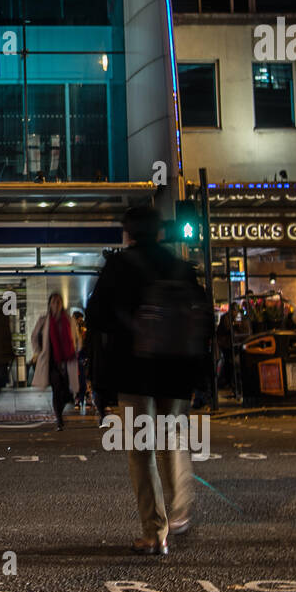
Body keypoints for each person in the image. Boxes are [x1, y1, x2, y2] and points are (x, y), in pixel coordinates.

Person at [85, 205, 208, 554]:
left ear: (128, 233)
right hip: (178, 370)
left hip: (135, 371)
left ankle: (155, 532)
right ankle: (181, 508)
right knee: (174, 438)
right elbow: (202, 320)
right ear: (159, 232)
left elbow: (96, 318)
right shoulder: (181, 267)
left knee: (142, 451)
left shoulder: (119, 267)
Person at [30, 293, 80, 430]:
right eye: (53, 302)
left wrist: (75, 350)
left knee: (65, 391)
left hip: (67, 360)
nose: (56, 304)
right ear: (49, 304)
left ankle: (59, 414)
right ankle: (59, 418)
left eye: (58, 302)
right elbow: (34, 337)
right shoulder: (44, 320)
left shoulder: (68, 320)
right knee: (57, 389)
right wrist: (39, 351)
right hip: (52, 361)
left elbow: (76, 338)